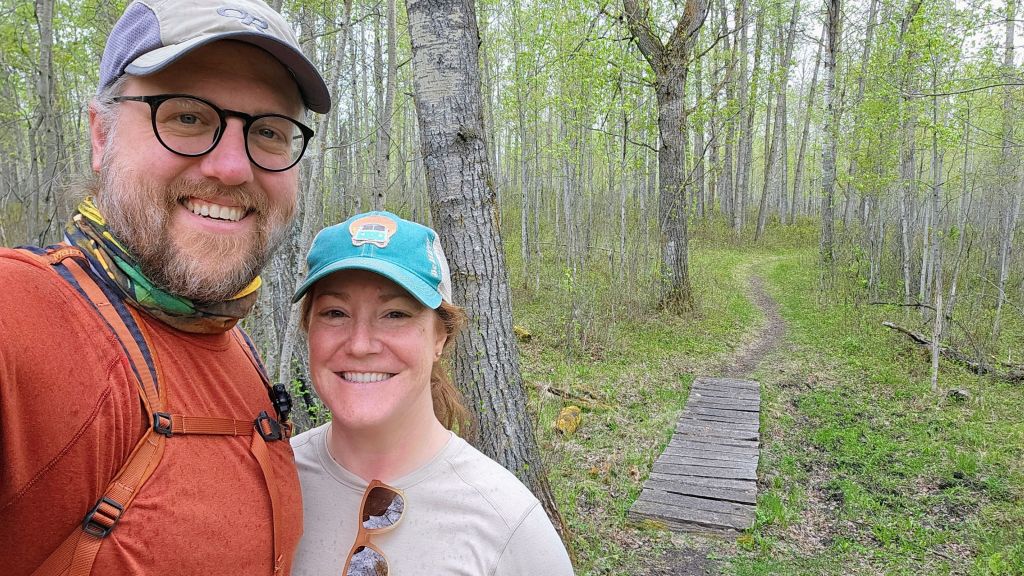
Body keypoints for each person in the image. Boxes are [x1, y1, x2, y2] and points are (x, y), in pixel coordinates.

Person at [0, 0, 331, 574]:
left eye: (269, 131)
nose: (232, 167)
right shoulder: (21, 315)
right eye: (186, 117)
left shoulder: (228, 338)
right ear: (101, 136)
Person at [289, 211, 575, 576]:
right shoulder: (270, 483)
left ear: (441, 336)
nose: (360, 344)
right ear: (309, 328)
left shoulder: (507, 526)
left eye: (395, 314)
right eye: (335, 313)